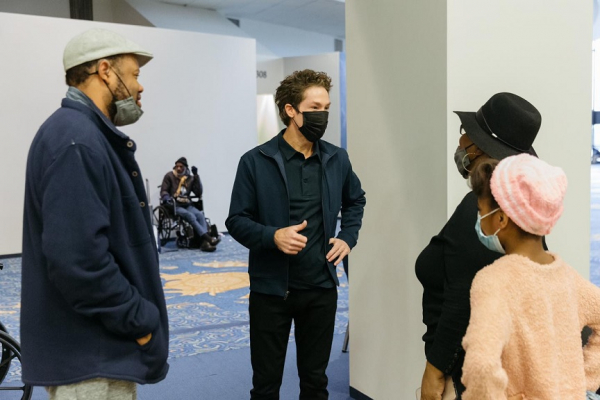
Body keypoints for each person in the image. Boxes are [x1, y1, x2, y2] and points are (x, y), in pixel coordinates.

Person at [21, 28, 169, 399]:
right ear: (105, 70)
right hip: (91, 360)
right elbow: (79, 262)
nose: (140, 87)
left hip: (95, 352)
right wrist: (142, 322)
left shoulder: (83, 135)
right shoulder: (77, 141)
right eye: (134, 74)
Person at [226, 69, 366, 399]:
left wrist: (348, 236)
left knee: (316, 382)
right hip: (271, 290)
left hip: (320, 288)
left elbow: (355, 200)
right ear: (291, 110)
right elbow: (236, 220)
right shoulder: (255, 162)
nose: (323, 115)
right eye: (315, 107)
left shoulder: (336, 158)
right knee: (266, 384)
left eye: (327, 107)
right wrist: (271, 236)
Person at [415, 92, 543, 400]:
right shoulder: (520, 206)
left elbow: (461, 301)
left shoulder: (482, 212)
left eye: (466, 136)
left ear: (482, 148)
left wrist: (434, 371)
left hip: (465, 370)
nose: (461, 144)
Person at [461, 154, 600, 400]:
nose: (479, 219)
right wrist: (580, 382)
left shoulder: (493, 282)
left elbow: (481, 366)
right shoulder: (567, 277)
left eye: (481, 210)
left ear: (501, 218)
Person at [160, 156, 220, 252]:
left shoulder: (190, 178)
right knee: (190, 216)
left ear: (185, 168)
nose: (178, 168)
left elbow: (198, 192)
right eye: (177, 166)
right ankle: (207, 238)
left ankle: (204, 243)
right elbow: (164, 191)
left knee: (200, 215)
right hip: (174, 205)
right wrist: (166, 197)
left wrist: (196, 176)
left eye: (181, 167)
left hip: (186, 204)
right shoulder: (169, 176)